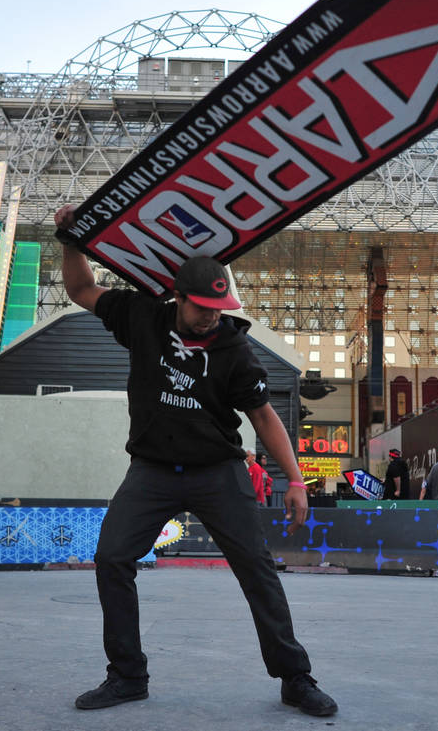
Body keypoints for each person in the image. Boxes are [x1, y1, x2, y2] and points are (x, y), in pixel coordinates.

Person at [56, 204, 337, 717]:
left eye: (219, 308)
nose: (211, 316)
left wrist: (296, 479)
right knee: (112, 558)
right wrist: (71, 241)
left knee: (256, 569)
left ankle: (295, 677)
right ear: (179, 297)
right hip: (153, 470)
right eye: (203, 307)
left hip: (217, 472)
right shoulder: (142, 317)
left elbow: (264, 417)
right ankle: (127, 676)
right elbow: (81, 290)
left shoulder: (235, 349)